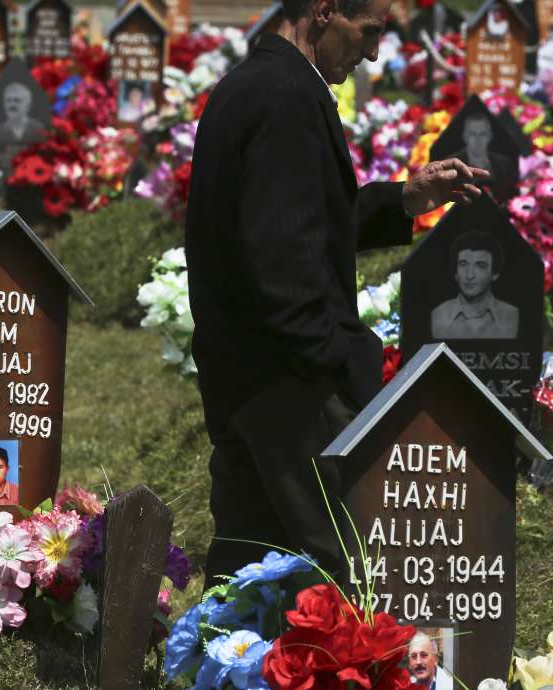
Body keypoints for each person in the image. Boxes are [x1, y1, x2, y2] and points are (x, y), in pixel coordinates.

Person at [186, 0, 488, 587]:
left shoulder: (249, 84)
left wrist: (402, 200)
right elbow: (279, 256)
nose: (374, 50)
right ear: (324, 11)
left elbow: (293, 218)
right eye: (368, 31)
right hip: (290, 384)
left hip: (241, 370)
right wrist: (330, 364)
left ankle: (224, 675)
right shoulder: (288, 97)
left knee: (247, 569)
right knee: (345, 571)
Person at [431, 230, 519, 339]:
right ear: (456, 273)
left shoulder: (511, 315)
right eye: (463, 264)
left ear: (495, 274)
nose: (470, 275)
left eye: (480, 265)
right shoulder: (439, 315)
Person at [448, 115, 518, 203]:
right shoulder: (451, 165)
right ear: (465, 136)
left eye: (483, 134)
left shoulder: (505, 164)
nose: (478, 140)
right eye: (473, 134)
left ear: (490, 136)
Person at [0, 82, 47, 170]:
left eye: (17, 100)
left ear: (28, 105)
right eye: (8, 100)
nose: (12, 104)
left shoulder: (38, 129)